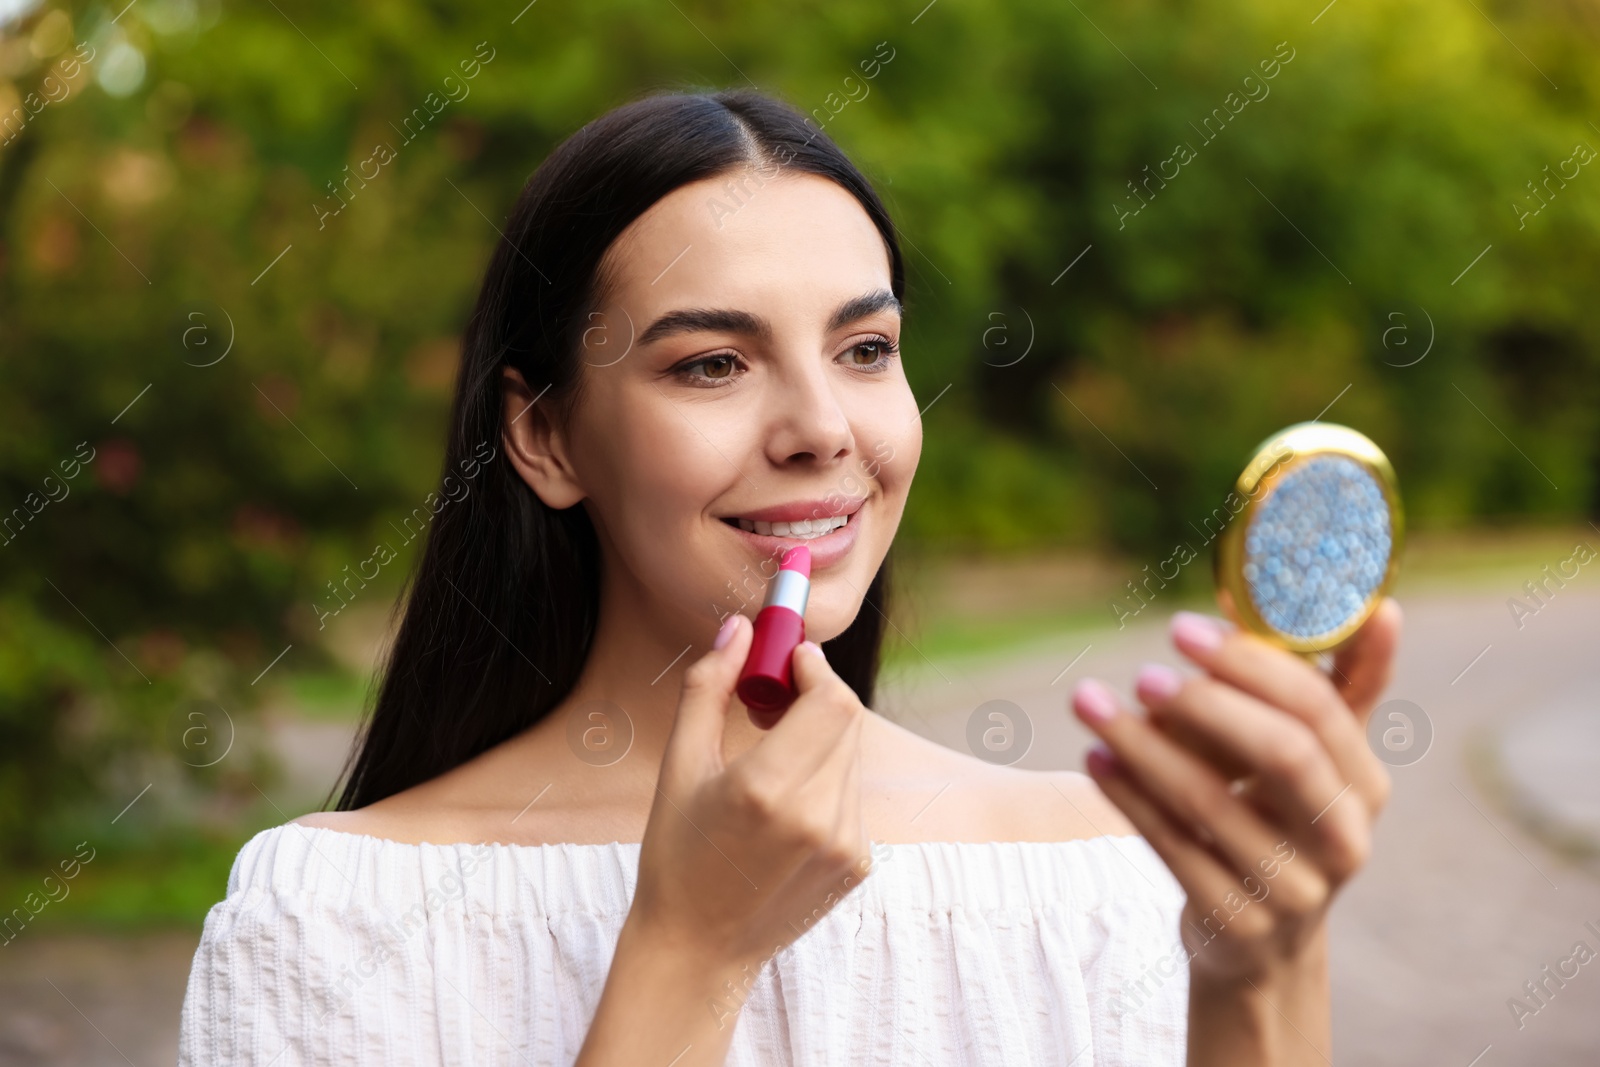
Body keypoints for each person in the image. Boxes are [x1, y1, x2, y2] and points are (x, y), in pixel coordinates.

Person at [177, 87, 1400, 1066]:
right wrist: (691, 949)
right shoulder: (328, 921)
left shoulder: (1103, 874)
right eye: (712, 363)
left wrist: (1264, 971)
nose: (823, 427)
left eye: (864, 349)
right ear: (544, 436)